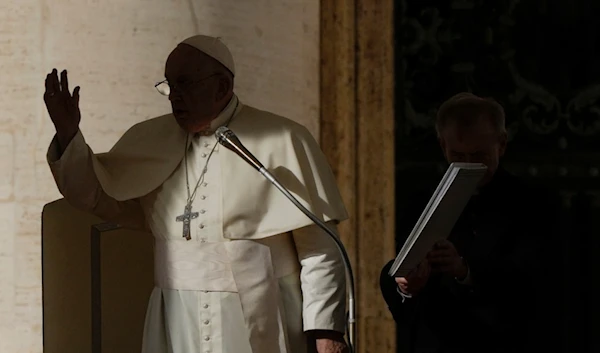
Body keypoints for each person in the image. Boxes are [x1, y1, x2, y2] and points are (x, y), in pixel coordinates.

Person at [44, 35, 349, 353]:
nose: (174, 97)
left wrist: (326, 331)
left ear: (222, 87)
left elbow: (321, 250)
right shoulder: (148, 138)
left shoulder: (284, 138)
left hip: (263, 312)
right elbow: (95, 197)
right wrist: (69, 136)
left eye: (185, 84)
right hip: (176, 315)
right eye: (170, 86)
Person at [380, 93, 560, 353]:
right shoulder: (418, 201)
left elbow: (533, 282)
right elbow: (394, 274)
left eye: (479, 156)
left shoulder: (534, 203)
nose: (468, 165)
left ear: (502, 144)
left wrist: (464, 269)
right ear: (443, 146)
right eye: (458, 155)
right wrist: (406, 285)